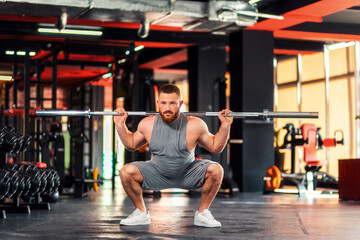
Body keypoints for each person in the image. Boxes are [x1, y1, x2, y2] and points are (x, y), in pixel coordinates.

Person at [114, 84, 233, 228]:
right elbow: (131, 144)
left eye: (172, 103)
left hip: (188, 173)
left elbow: (216, 147)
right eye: (163, 103)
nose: (167, 108)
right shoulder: (148, 124)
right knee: (126, 172)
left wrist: (225, 127)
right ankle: (141, 213)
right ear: (158, 103)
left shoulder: (194, 124)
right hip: (156, 173)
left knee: (216, 169)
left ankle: (203, 214)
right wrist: (120, 125)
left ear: (180, 104)